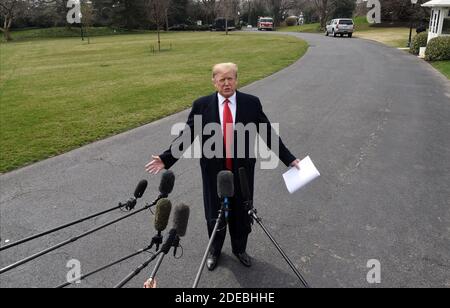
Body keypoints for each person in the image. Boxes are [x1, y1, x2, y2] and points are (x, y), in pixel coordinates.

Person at [145, 63, 300, 271]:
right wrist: (166, 158)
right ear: (214, 81)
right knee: (214, 213)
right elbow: (188, 134)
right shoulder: (202, 105)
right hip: (213, 173)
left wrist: (289, 159)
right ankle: (215, 249)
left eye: (230, 78)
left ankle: (239, 249)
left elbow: (268, 133)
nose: (227, 83)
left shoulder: (251, 103)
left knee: (242, 213)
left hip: (242, 172)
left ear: (236, 79)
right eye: (222, 79)